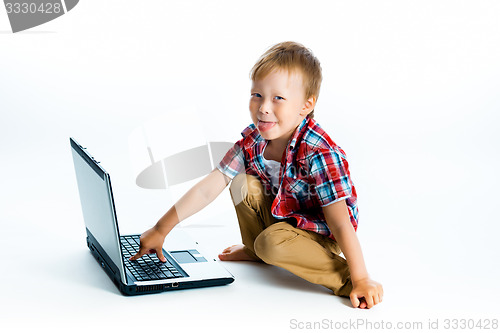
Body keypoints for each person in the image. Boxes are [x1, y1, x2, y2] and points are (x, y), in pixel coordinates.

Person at [130, 41, 383, 309]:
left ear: (306, 105)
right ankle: (256, 251)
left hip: (320, 236)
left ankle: (344, 280)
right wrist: (161, 228)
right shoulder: (253, 140)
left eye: (278, 98)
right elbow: (209, 187)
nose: (263, 108)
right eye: (257, 95)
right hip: (282, 220)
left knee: (270, 243)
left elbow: (341, 223)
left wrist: (360, 277)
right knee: (242, 183)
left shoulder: (319, 152)